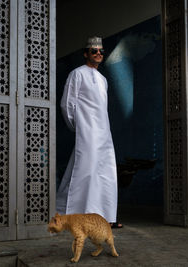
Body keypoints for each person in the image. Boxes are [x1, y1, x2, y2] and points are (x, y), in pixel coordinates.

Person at [56, 36, 122, 228]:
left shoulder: (103, 79)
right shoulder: (77, 74)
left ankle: (107, 218)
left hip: (104, 133)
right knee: (86, 172)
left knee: (107, 172)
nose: (98, 53)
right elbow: (67, 104)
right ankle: (77, 216)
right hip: (87, 132)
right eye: (94, 51)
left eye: (101, 51)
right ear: (86, 53)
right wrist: (79, 128)